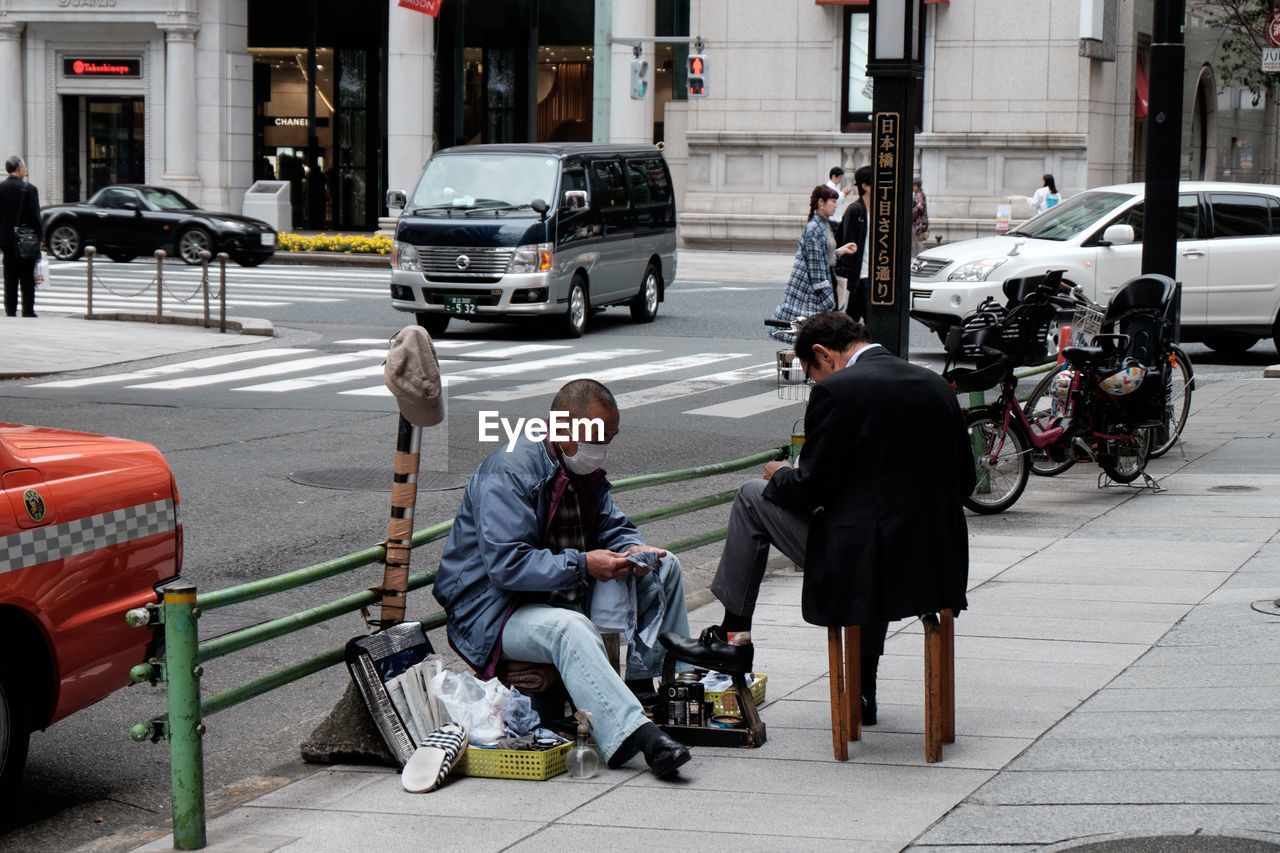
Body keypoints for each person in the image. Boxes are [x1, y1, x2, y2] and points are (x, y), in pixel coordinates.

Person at [660, 312, 975, 726]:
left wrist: (782, 475)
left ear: (823, 355)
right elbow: (966, 481)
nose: (815, 384)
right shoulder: (935, 385)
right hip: (935, 563)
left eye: (811, 374)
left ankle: (733, 636)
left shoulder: (838, 392)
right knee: (872, 540)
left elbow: (813, 488)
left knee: (754, 496)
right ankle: (863, 690)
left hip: (862, 560)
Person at [432, 379, 693, 779]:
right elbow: (507, 565)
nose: (602, 447)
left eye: (609, 437)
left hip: (557, 590)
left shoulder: (580, 469)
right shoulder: (511, 471)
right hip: (494, 610)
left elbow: (613, 525)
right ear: (561, 429)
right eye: (595, 437)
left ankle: (648, 689)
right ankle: (639, 736)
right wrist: (584, 564)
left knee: (665, 566)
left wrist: (634, 550)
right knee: (569, 628)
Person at [771, 185, 857, 341]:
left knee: (813, 335)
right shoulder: (814, 228)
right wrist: (827, 300)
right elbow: (816, 265)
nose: (835, 206)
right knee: (811, 335)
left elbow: (825, 256)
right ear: (821, 202)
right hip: (811, 290)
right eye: (833, 201)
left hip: (819, 286)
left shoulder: (823, 225)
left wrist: (841, 251)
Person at [0, 155, 43, 318]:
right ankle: (28, 310)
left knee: (9, 275)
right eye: (24, 168)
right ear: (19, 169)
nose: (25, 171)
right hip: (27, 239)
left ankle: (10, 309)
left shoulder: (1, 188)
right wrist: (40, 237)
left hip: (6, 239)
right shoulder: (29, 189)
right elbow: (35, 216)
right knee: (27, 276)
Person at [837, 166, 872, 324]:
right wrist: (850, 280)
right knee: (864, 319)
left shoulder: (881, 211)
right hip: (860, 276)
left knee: (854, 320)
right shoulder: (855, 211)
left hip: (873, 276)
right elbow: (847, 245)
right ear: (865, 186)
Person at [911, 177, 930, 258]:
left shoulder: (919, 195)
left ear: (916, 186)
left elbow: (919, 209)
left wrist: (910, 215)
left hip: (919, 224)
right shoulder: (918, 194)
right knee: (916, 242)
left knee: (917, 242)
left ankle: (921, 256)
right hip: (918, 223)